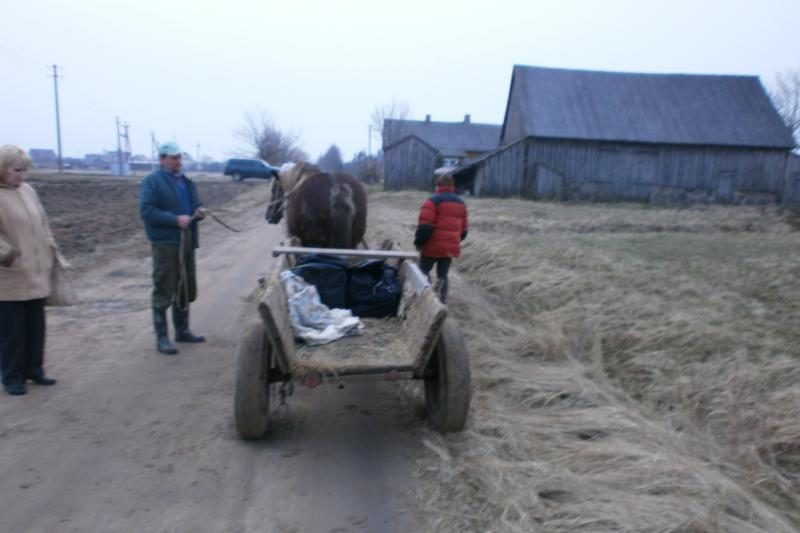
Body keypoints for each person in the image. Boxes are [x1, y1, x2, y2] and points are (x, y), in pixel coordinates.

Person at [0, 145, 59, 395]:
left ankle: (35, 370)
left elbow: (43, 223)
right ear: (2, 169)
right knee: (12, 333)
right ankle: (12, 377)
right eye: (16, 170)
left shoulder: (28, 191)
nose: (22, 175)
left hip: (36, 272)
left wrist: (50, 246)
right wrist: (6, 254)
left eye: (25, 170)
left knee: (36, 326)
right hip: (10, 276)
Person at [139, 141, 206, 355]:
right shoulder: (152, 182)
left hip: (186, 242)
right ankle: (162, 338)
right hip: (166, 243)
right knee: (164, 286)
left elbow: (193, 207)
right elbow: (147, 211)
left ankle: (182, 330)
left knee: (185, 286)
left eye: (179, 157)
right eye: (173, 157)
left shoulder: (187, 182)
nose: (178, 161)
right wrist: (174, 220)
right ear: (162, 159)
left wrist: (198, 212)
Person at [413, 174, 469, 303]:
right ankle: (441, 302)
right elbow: (464, 231)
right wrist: (453, 241)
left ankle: (424, 301)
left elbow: (425, 227)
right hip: (449, 248)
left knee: (423, 272)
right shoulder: (461, 203)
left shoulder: (433, 201)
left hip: (432, 247)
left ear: (438, 186)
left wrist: (419, 242)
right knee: (443, 276)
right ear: (452, 186)